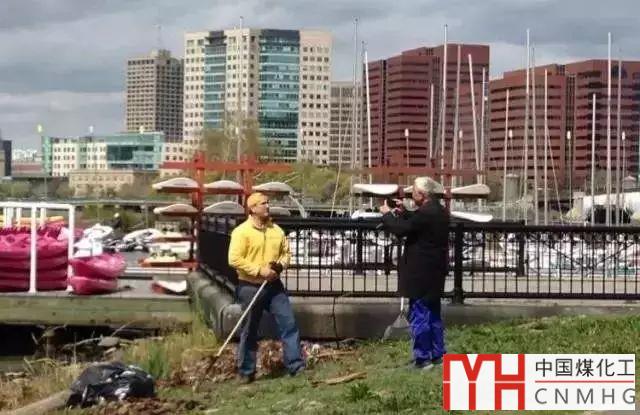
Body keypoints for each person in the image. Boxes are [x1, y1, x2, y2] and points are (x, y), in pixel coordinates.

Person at [228, 192, 305, 383]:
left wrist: (280, 266)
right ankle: (246, 371)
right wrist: (259, 271)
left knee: (289, 323)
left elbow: (286, 254)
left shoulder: (276, 231)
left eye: (268, 203)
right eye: (263, 203)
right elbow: (234, 259)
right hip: (249, 286)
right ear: (252, 208)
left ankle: (296, 365)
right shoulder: (241, 232)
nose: (268, 206)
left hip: (274, 287)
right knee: (250, 329)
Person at [379, 176, 449, 370]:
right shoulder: (440, 211)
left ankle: (422, 358)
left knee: (419, 314)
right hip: (435, 271)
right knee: (434, 314)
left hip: (420, 272)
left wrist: (387, 215)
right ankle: (438, 354)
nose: (412, 195)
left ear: (422, 194)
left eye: (414, 192)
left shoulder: (426, 214)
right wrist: (404, 211)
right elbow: (416, 224)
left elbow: (401, 230)